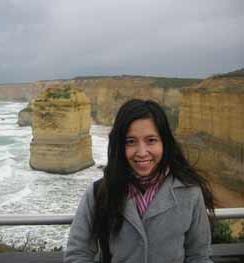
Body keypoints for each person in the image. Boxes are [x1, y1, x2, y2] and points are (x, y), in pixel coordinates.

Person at [64, 99, 214, 263]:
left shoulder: (189, 192)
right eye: (131, 142)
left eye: (151, 140)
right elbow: (77, 254)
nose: (142, 152)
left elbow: (199, 256)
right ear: (120, 145)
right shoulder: (99, 193)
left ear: (165, 142)